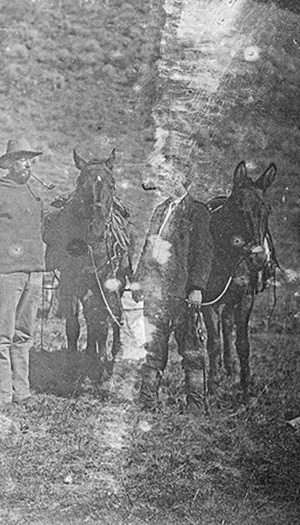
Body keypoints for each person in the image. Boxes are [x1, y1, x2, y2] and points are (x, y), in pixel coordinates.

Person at [0, 138, 50, 410]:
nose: (26, 164)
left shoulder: (35, 196)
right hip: (5, 275)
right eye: (20, 159)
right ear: (8, 164)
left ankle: (22, 392)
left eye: (29, 159)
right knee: (2, 335)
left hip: (34, 273)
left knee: (24, 335)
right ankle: (2, 395)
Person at [133, 163, 213, 415]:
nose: (166, 182)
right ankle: (148, 402)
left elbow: (204, 252)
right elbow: (149, 248)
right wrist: (138, 280)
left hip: (183, 294)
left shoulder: (198, 212)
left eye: (171, 178)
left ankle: (195, 407)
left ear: (184, 182)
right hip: (156, 294)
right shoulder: (160, 210)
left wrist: (197, 287)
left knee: (191, 350)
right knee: (153, 349)